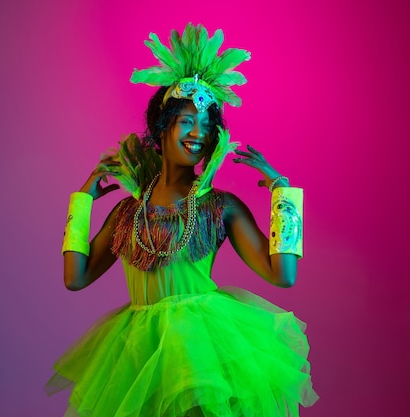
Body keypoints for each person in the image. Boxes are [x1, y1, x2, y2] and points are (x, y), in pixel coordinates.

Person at [46, 23, 318, 417]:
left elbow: (283, 275)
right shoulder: (127, 214)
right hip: (139, 355)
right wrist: (82, 203)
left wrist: (284, 196)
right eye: (188, 120)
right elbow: (76, 277)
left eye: (208, 125)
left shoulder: (220, 207)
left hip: (202, 349)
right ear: (162, 127)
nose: (199, 133)